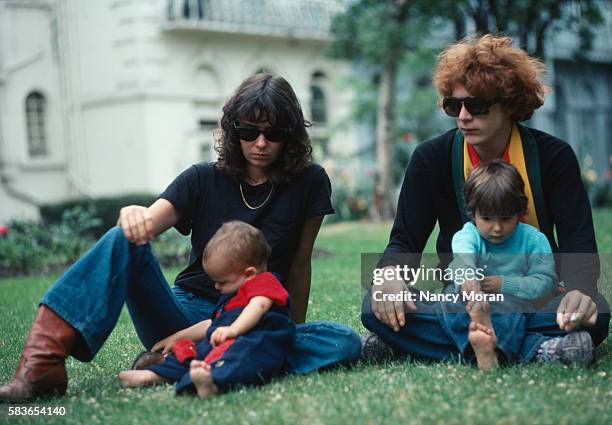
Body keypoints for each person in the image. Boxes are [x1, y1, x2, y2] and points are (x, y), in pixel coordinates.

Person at [0, 73, 361, 403]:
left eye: (274, 133)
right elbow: (146, 223)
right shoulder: (201, 179)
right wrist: (134, 215)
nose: (261, 143)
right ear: (233, 130)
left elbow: (299, 263)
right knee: (121, 238)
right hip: (185, 315)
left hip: (258, 316)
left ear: (291, 134)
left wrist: (288, 332)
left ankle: (181, 363)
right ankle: (42, 364)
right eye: (249, 131)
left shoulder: (309, 181)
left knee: (342, 342)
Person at [361, 34, 609, 365]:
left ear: (508, 103)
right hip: (461, 301)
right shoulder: (430, 159)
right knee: (372, 304)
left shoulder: (554, 157)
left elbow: (578, 245)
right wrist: (388, 277)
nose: (463, 115)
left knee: (596, 313)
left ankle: (415, 344)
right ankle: (540, 350)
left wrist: (580, 291)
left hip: (531, 298)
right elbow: (404, 241)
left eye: (476, 105)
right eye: (453, 105)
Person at [119, 221, 295, 398]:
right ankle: (152, 375)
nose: (217, 287)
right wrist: (175, 337)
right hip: (226, 342)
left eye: (223, 281)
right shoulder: (232, 296)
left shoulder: (265, 282)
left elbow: (259, 306)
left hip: (257, 338)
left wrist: (234, 330)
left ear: (249, 273)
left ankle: (212, 384)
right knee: (192, 353)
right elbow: (211, 323)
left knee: (240, 357)